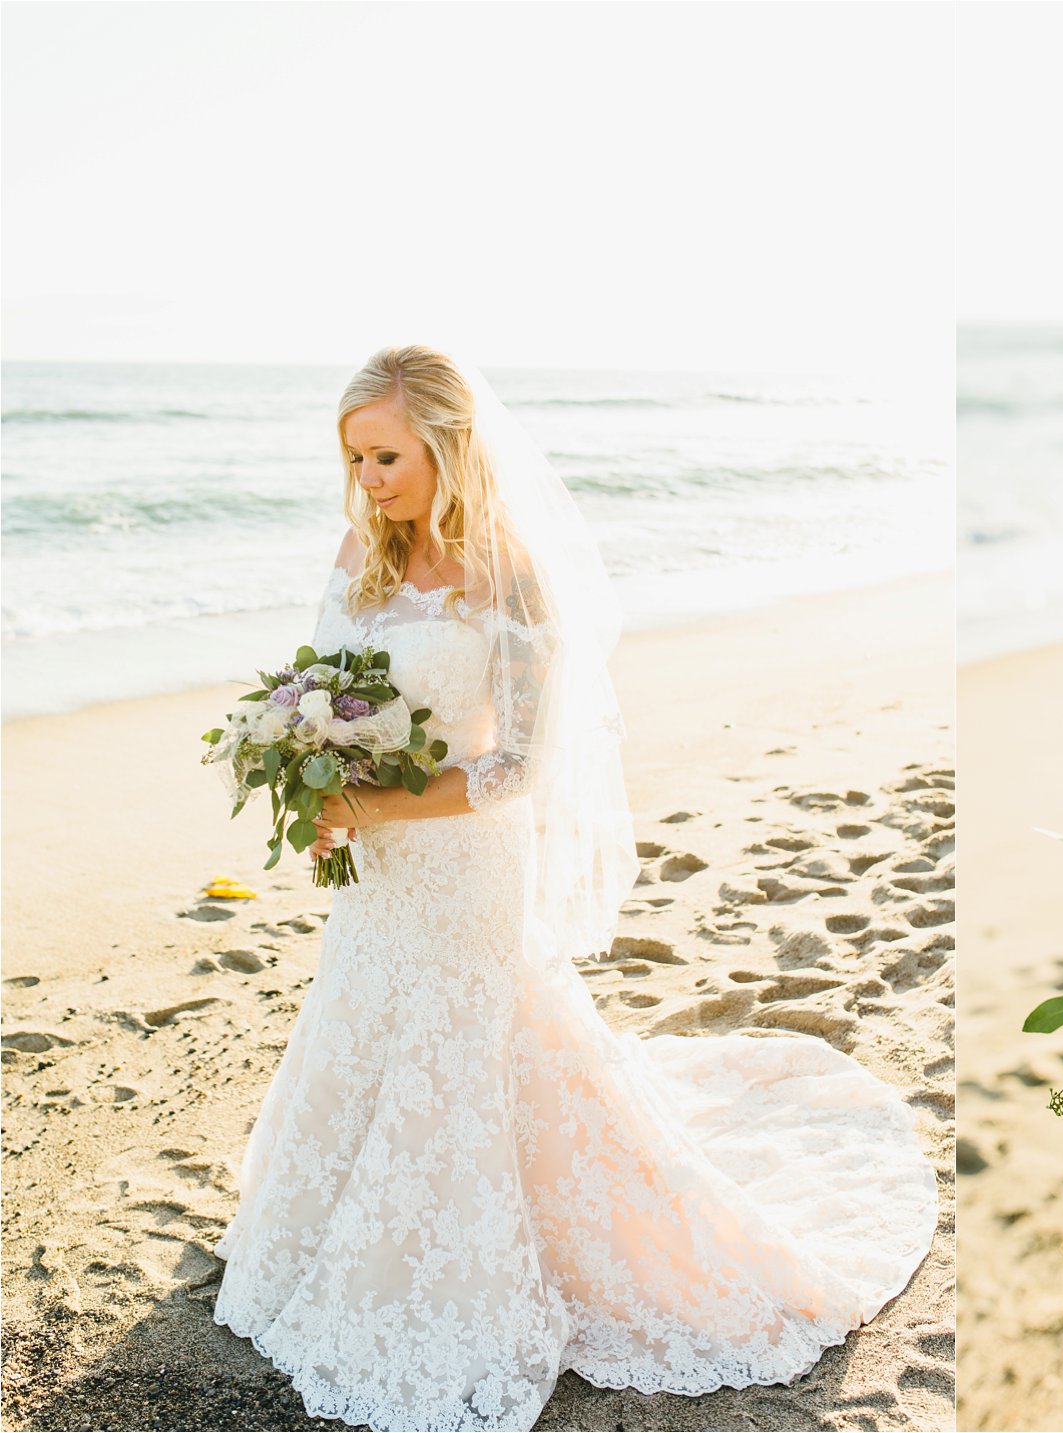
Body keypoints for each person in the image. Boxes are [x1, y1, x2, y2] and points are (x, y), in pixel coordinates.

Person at [210, 345, 938, 1432]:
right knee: (361, 1024)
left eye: (387, 455)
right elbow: (323, 688)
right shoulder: (359, 546)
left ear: (448, 446)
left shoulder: (509, 573)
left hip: (462, 868)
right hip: (377, 873)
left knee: (461, 1046)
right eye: (354, 457)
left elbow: (519, 766)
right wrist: (311, 774)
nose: (368, 478)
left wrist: (377, 805)